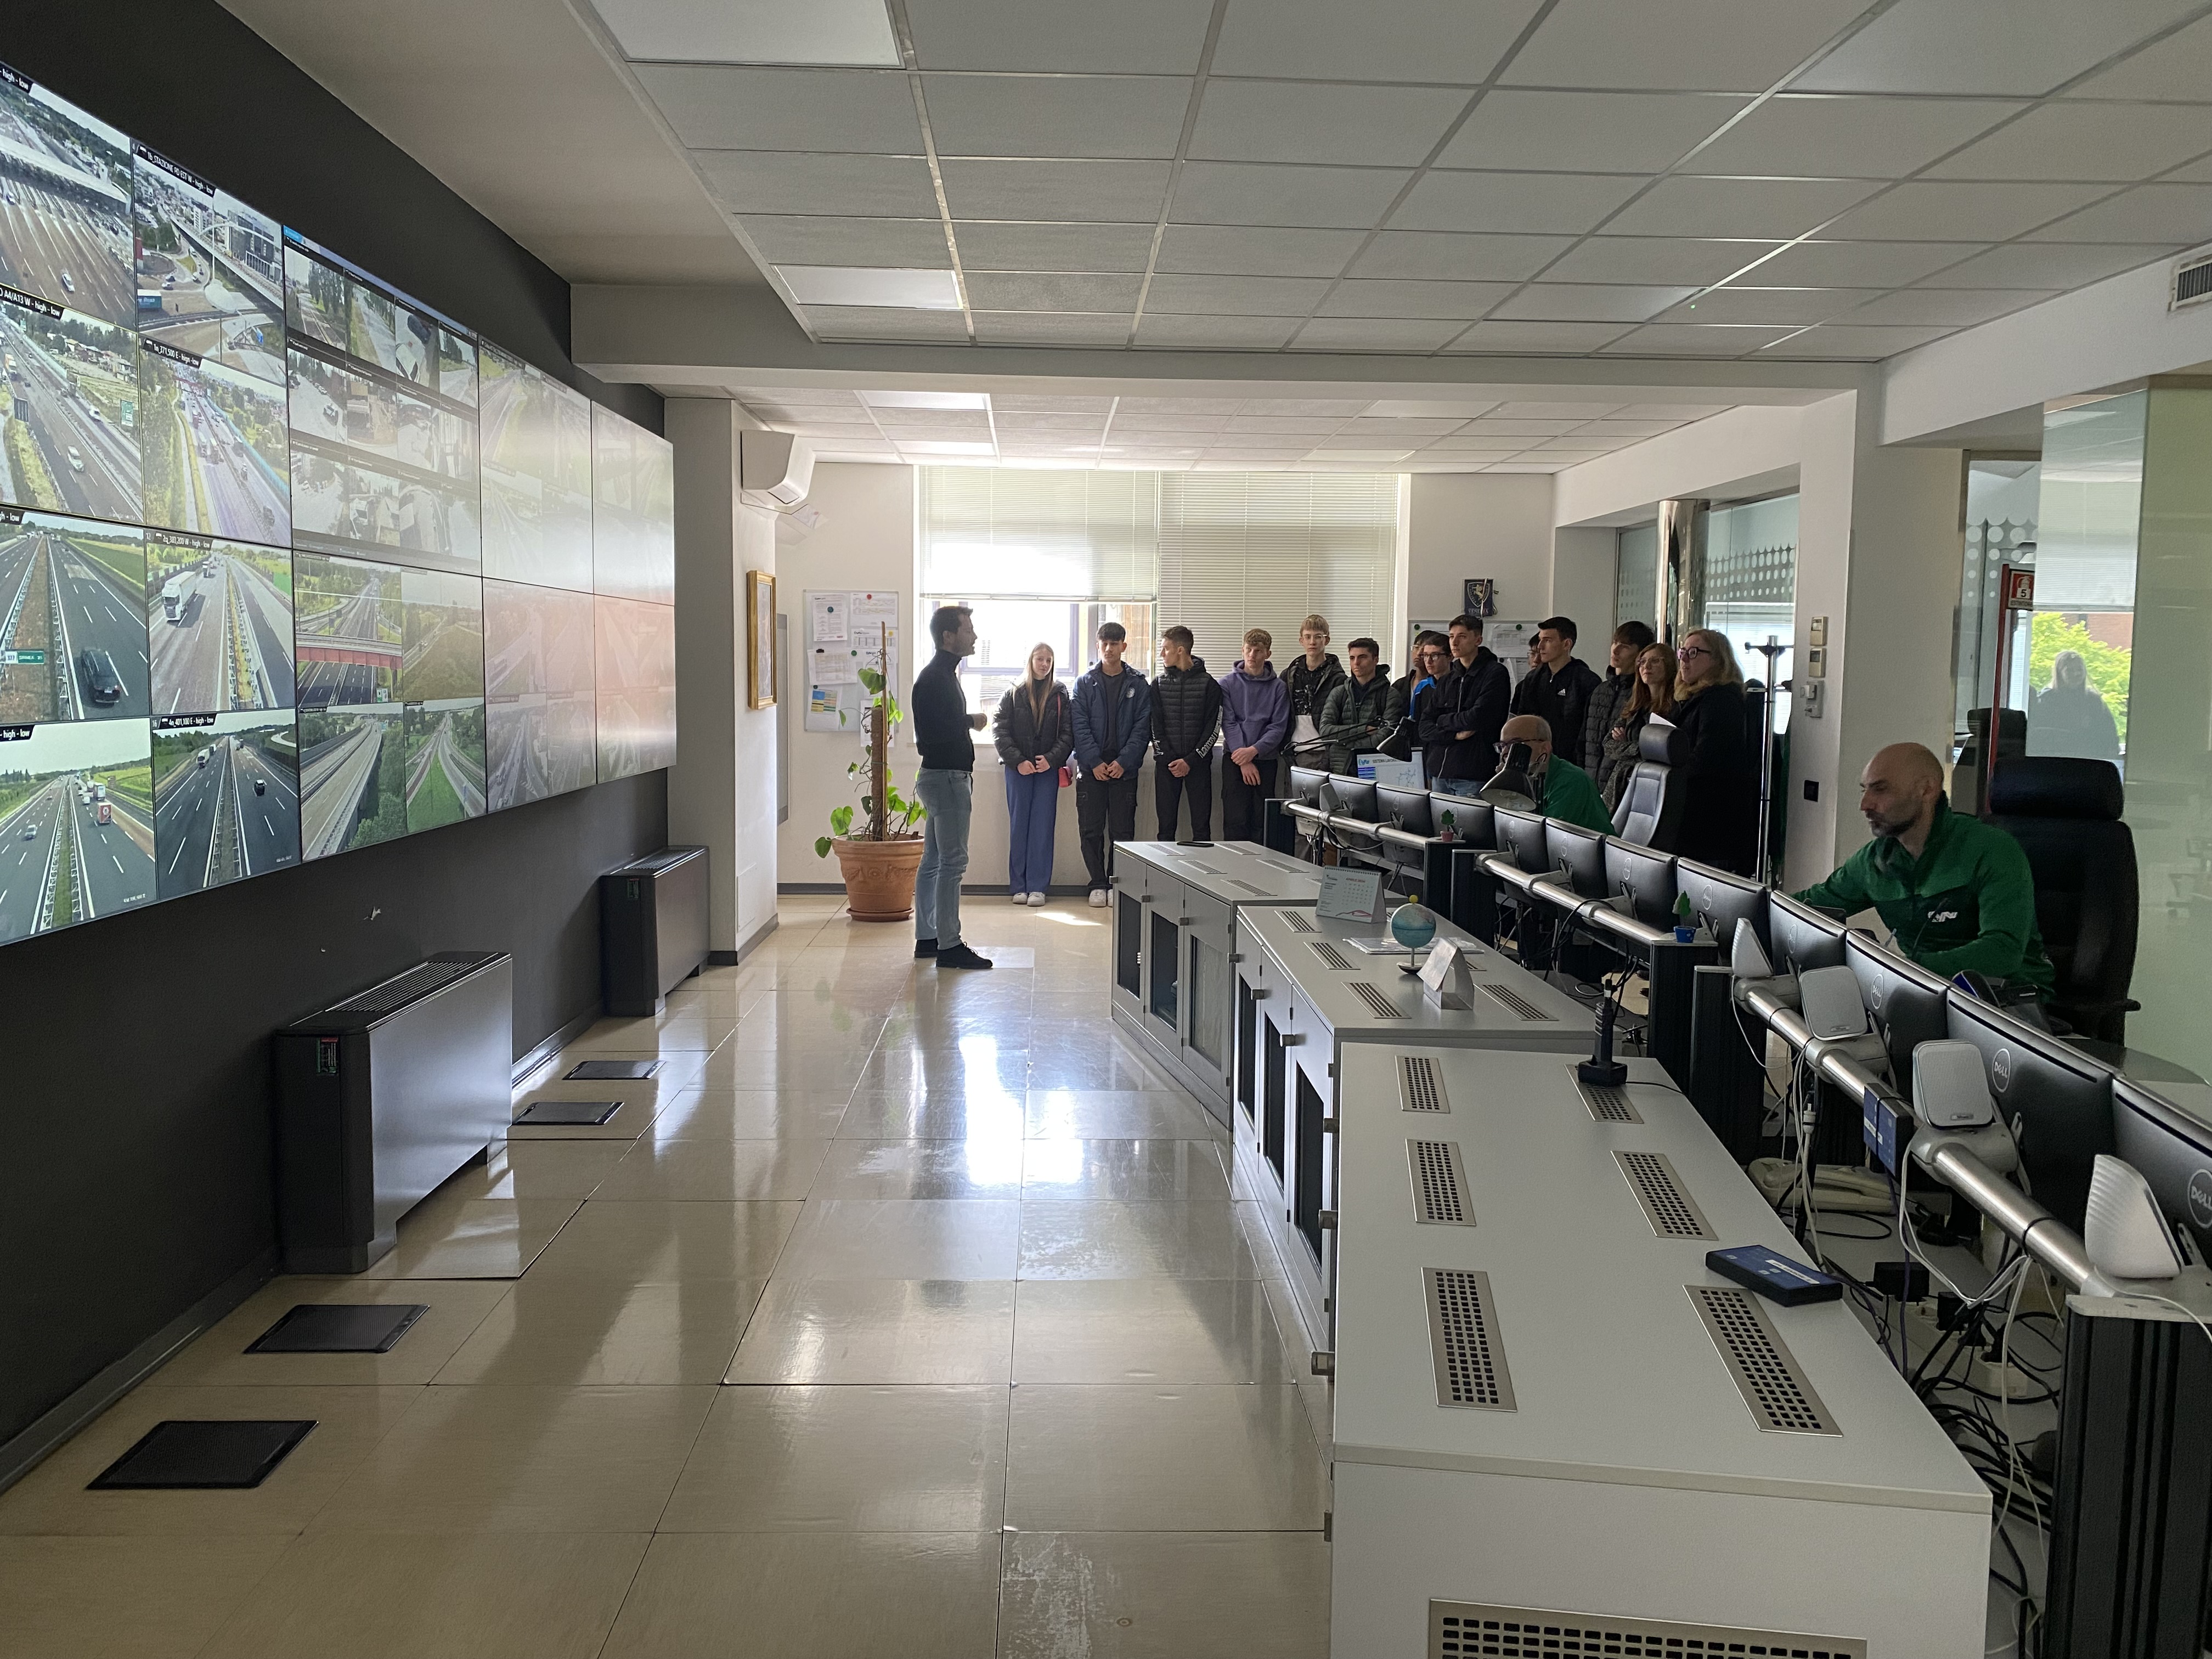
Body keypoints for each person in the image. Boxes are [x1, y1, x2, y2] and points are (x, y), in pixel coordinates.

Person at [1794, 742, 2055, 995]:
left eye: (1881, 790)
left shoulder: (1992, 849)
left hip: (2007, 999)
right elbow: (1806, 906)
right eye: (1864, 790)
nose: (1865, 805)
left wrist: (1906, 970)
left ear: (1927, 790)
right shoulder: (1875, 861)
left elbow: (2002, 952)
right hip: (1923, 992)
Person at [911, 604, 992, 969]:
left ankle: (928, 937)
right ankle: (949, 945)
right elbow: (931, 736)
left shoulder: (943, 675)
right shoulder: (934, 679)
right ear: (948, 636)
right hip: (946, 779)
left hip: (942, 778)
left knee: (933, 861)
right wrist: (970, 720)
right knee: (952, 862)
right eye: (968, 630)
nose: (974, 636)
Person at [1666, 628, 1760, 875]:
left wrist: (1670, 775)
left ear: (1718, 660)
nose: (1684, 660)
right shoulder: (1689, 698)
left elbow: (1707, 758)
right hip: (1691, 818)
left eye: (1694, 653)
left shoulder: (1721, 700)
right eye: (1683, 652)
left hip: (1712, 823)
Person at [1071, 620, 1153, 907]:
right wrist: (1094, 762)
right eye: (1104, 644)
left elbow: (1142, 729)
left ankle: (1117, 884)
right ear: (1098, 646)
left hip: (1124, 772)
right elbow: (1079, 726)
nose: (1109, 649)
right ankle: (1097, 884)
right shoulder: (1084, 683)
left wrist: (1123, 761)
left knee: (1122, 832)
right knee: (1091, 831)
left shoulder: (1138, 684)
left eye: (1114, 644)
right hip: (1091, 771)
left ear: (1124, 646)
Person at [994, 643, 1072, 907]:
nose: (1044, 664)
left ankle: (1038, 887)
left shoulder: (1060, 694)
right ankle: (1019, 886)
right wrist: (1018, 761)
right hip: (1019, 771)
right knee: (1019, 827)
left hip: (1047, 771)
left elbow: (1068, 734)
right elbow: (999, 730)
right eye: (1040, 659)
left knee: (1042, 828)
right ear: (1031, 661)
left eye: (1049, 660)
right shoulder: (1013, 692)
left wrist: (1051, 759)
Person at [1420, 613, 1511, 797]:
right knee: (1440, 818)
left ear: (1478, 640)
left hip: (1473, 774)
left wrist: (1442, 720)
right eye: (1451, 637)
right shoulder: (1448, 679)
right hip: (1440, 773)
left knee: (1469, 817)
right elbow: (1424, 727)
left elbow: (1477, 718)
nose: (1454, 643)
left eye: (1462, 637)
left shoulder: (1495, 673)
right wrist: (1453, 735)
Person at [1219, 628, 1289, 843]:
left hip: (1266, 760)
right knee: (1235, 820)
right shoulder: (1226, 684)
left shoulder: (1279, 688)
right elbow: (1228, 723)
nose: (1252, 655)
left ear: (1268, 654)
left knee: (1262, 821)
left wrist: (1254, 751)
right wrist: (1244, 759)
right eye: (1249, 649)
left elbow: (1278, 727)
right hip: (1235, 760)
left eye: (1258, 651)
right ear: (1242, 650)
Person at [1151, 625, 1221, 840]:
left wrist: (1190, 760)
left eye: (1165, 649)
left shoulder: (1210, 685)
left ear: (1180, 650)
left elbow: (1213, 728)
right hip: (1167, 765)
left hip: (1198, 765)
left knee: (1201, 829)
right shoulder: (1157, 685)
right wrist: (1171, 759)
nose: (1162, 654)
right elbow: (1154, 725)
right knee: (1165, 829)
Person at [1496, 713, 1614, 833]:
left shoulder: (1571, 780)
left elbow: (1546, 833)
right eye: (1502, 746)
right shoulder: (1526, 777)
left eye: (1515, 745)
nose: (1505, 753)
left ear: (1545, 748)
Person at [1595, 640, 1676, 808]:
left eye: (1655, 661)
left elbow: (1663, 751)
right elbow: (1608, 745)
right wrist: (1637, 748)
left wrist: (1626, 745)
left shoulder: (1675, 707)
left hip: (1653, 787)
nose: (1647, 667)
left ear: (1669, 665)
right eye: (1642, 662)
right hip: (1621, 784)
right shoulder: (1634, 706)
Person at [1511, 615, 1600, 762]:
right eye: (1540, 640)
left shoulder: (1586, 681)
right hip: (1535, 760)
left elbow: (1589, 732)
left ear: (1567, 644)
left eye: (1547, 640)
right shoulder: (1533, 679)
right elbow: (1523, 719)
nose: (1540, 646)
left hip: (1571, 763)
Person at [1578, 619, 1657, 775]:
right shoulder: (1600, 690)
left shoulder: (1643, 694)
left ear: (1640, 654)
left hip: (1622, 779)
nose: (1615, 650)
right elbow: (1583, 741)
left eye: (1625, 646)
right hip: (1590, 778)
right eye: (1615, 643)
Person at [2029, 648, 2121, 763]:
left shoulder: (2094, 701)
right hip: (2056, 761)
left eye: (2079, 669)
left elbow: (2110, 735)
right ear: (2059, 673)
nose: (2076, 674)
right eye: (2070, 670)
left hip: (2090, 761)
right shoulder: (2046, 700)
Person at [1280, 613, 1344, 774]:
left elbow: (1341, 721)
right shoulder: (1289, 676)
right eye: (1307, 637)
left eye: (1318, 637)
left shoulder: (1339, 679)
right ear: (1301, 641)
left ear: (1327, 640)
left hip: (1325, 752)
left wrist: (1329, 758)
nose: (1312, 642)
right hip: (1294, 752)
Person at [1318, 636, 1391, 775]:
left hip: (1374, 770)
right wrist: (1364, 730)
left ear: (1376, 660)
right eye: (1352, 658)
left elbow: (1384, 737)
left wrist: (1343, 743)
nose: (1356, 663)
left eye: (1362, 657)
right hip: (1340, 769)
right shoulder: (1339, 693)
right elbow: (1325, 731)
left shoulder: (1389, 694)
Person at [1378, 631, 1448, 762]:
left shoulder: (1443, 684)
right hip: (1405, 746)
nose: (1419, 653)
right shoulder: (1400, 685)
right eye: (1416, 647)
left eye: (1425, 650)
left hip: (1433, 747)